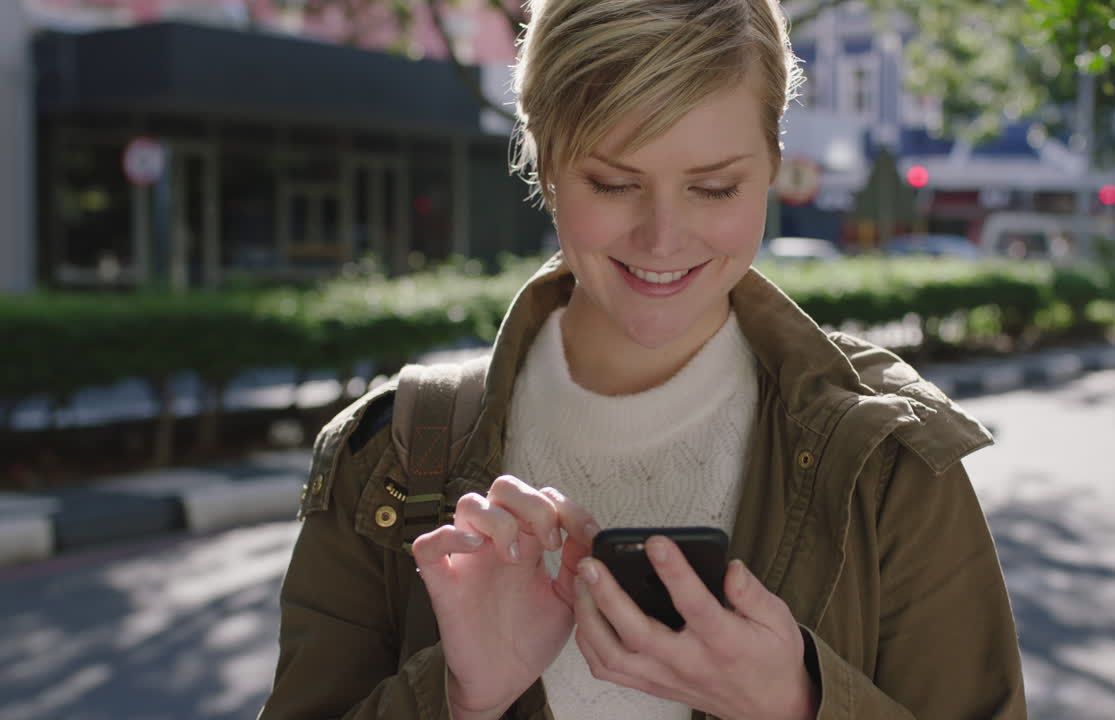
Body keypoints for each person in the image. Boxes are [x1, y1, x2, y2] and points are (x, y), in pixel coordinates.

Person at [259, 0, 1028, 718]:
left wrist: (798, 701)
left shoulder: (888, 460)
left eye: (715, 188)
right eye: (615, 182)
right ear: (546, 162)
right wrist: (457, 696)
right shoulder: (388, 461)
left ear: (771, 165)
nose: (664, 239)